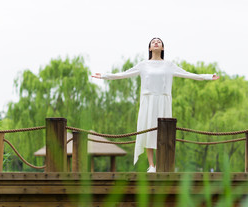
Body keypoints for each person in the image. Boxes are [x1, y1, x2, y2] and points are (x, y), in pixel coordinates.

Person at [92, 37, 219, 172]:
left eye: (159, 41)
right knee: (149, 129)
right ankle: (151, 165)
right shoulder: (143, 65)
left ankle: (160, 164)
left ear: (163, 48)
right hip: (148, 101)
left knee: (163, 132)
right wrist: (104, 76)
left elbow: (188, 74)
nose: (156, 42)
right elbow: (124, 74)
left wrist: (207, 76)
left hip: (163, 101)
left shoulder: (169, 65)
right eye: (153, 42)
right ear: (150, 48)